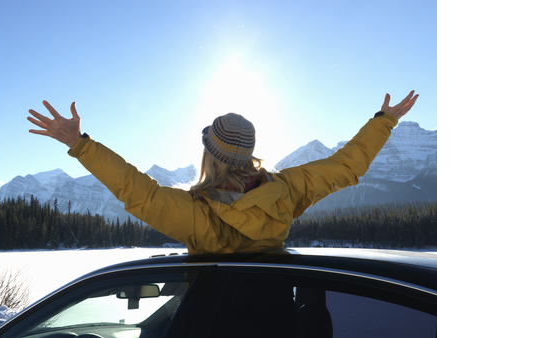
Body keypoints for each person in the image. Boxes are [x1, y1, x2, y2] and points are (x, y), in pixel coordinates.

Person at [28, 91, 418, 255]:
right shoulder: (286, 191)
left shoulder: (200, 216)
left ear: (210, 156)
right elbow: (346, 167)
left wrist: (80, 145)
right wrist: (384, 121)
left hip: (212, 332)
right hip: (275, 326)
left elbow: (139, 193)